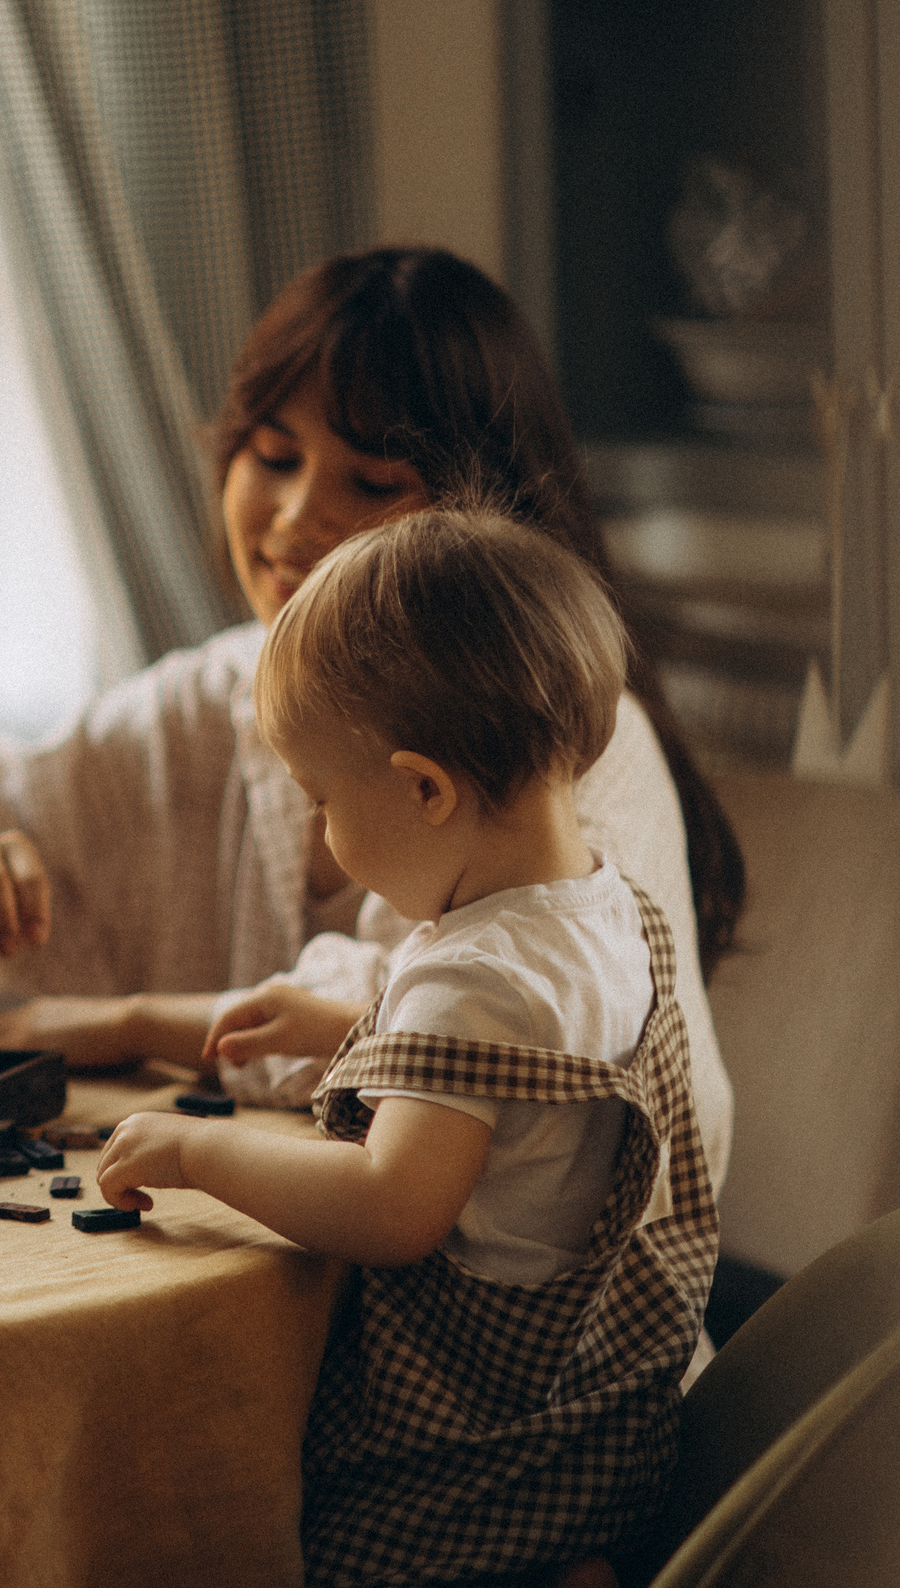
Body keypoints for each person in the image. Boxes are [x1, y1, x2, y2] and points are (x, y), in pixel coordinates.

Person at [0, 246, 741, 1181]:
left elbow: (443, 1042)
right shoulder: (206, 701)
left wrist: (126, 1022)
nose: (298, 516)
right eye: (273, 458)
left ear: (481, 515)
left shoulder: (556, 737)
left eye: (372, 483)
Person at [100, 508, 717, 1586]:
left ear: (426, 789)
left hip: (477, 1439)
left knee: (303, 1543)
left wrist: (196, 1152)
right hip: (604, 1415)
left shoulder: (467, 978)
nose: (322, 835)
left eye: (323, 802)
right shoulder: (604, 909)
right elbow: (527, 1083)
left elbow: (391, 1208)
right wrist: (349, 1024)